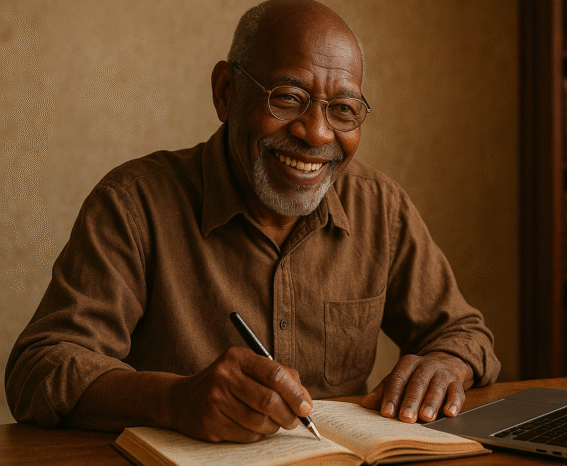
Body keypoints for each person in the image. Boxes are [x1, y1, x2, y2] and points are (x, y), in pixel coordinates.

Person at [5, 0, 500, 443]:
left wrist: (444, 363)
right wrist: (173, 400)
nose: (316, 133)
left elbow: (466, 333)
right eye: (287, 98)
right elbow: (39, 367)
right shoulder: (134, 205)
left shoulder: (381, 208)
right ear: (226, 92)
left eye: (344, 110)